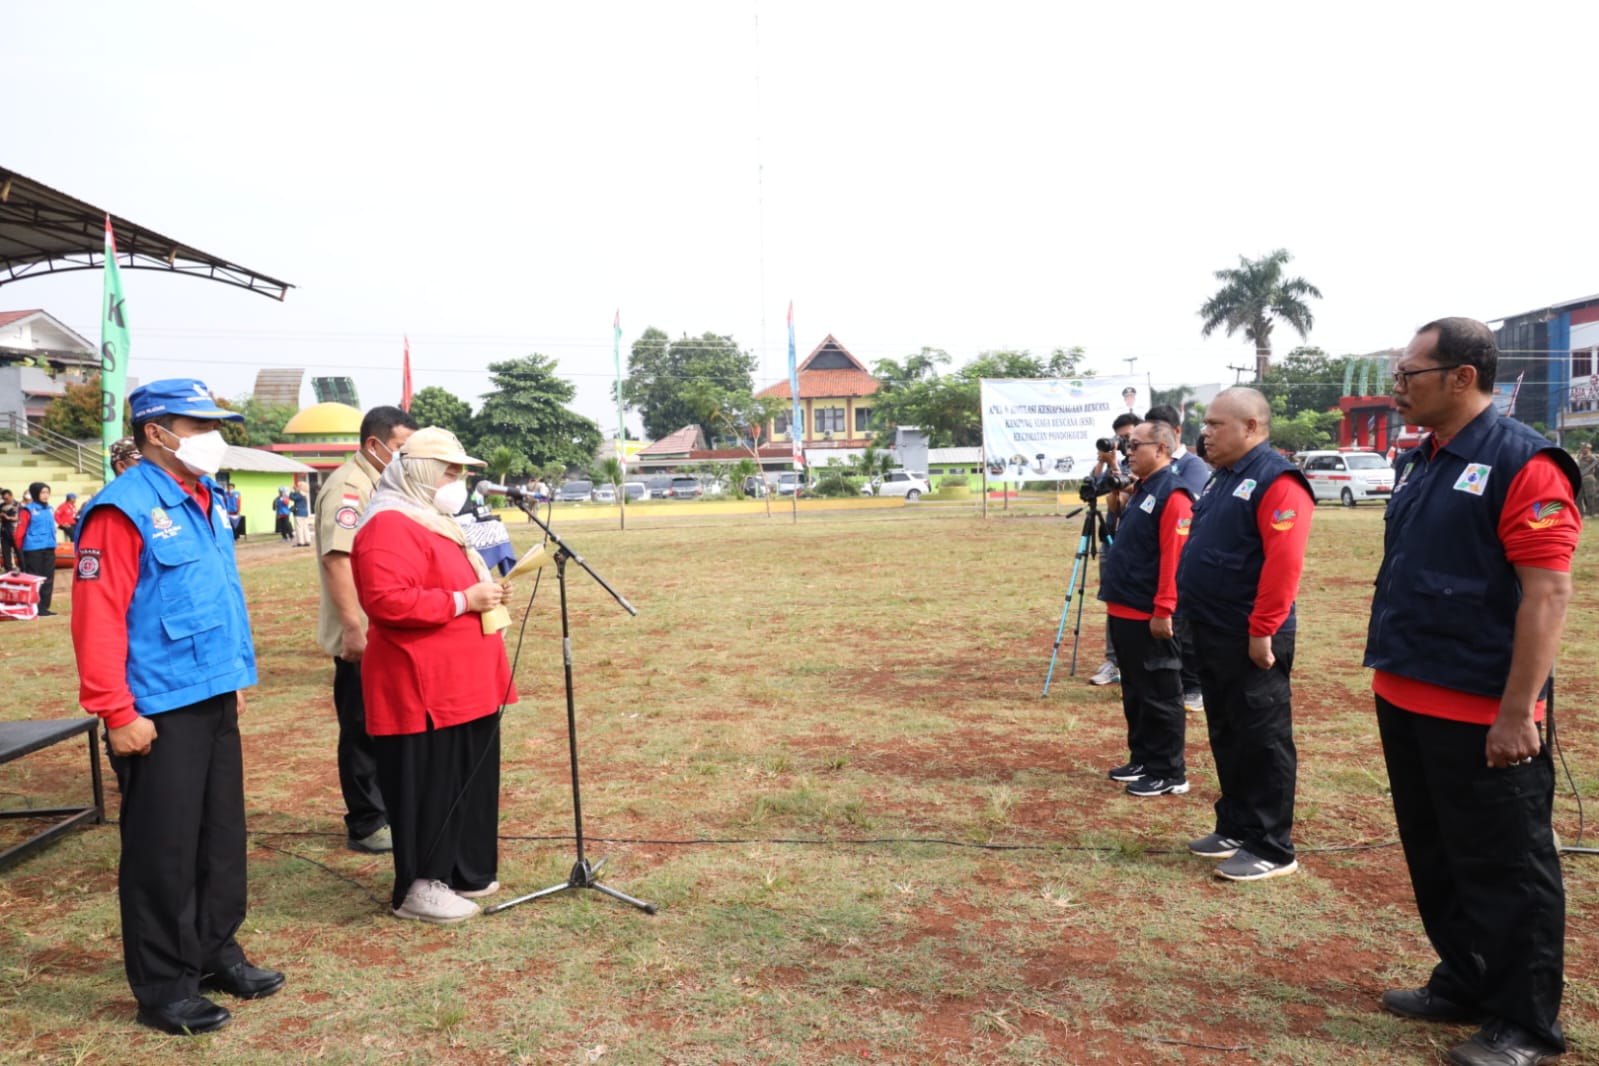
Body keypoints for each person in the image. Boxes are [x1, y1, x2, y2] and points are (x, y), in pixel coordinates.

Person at [1366, 318, 1577, 1066]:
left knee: (1506, 866)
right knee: (1437, 852)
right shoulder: (1424, 459)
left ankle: (1524, 1024)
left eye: (1410, 373)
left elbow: (1546, 596)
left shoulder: (1525, 464)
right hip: (1407, 690)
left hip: (1482, 707)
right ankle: (1464, 978)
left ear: (1462, 377)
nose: (1398, 386)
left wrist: (1517, 710)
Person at [70, 377, 283, 1036]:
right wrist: (116, 711)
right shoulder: (122, 509)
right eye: (199, 425)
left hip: (211, 691)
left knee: (219, 839)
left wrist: (232, 680)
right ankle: (164, 985)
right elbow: (97, 618)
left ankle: (215, 950)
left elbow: (216, 597)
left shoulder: (204, 497)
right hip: (155, 707)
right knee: (162, 850)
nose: (212, 437)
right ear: (157, 432)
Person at [351, 427, 516, 924]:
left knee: (469, 774)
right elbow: (385, 600)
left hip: (466, 677)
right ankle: (422, 885)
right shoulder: (388, 524)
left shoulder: (436, 518)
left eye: (461, 471)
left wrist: (485, 590)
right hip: (422, 681)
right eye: (449, 470)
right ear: (421, 470)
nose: (458, 480)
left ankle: (464, 868)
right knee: (431, 780)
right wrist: (465, 600)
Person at [1174, 387, 1314, 881]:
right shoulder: (1222, 478)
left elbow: (1284, 563)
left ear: (1251, 427)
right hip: (1212, 626)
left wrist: (1264, 630)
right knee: (1227, 730)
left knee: (1263, 738)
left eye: (1216, 425)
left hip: (1250, 632)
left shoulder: (1278, 480)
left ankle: (1273, 846)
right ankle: (1235, 824)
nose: (1205, 433)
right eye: (1207, 424)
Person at [315, 405, 417, 855]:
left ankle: (386, 808)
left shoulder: (379, 480)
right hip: (362, 632)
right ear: (375, 445)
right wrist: (353, 629)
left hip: (385, 625)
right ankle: (366, 821)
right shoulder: (350, 488)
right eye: (400, 449)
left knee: (383, 722)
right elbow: (337, 559)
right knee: (360, 726)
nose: (405, 458)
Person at [1098, 421, 1194, 797]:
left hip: (1150, 612)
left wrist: (1164, 609)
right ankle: (1143, 756)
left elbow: (1175, 558)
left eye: (1136, 445)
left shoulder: (1174, 493)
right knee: (1136, 691)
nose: (1128, 451)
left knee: (1160, 692)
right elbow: (1115, 512)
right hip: (1125, 608)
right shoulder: (1143, 488)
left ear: (1162, 449)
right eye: (1127, 445)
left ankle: (1169, 770)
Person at [1146, 403, 1211, 712]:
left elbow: (1187, 507)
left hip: (1184, 555)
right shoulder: (1152, 470)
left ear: (1174, 433)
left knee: (1183, 625)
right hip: (1155, 556)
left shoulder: (1192, 466)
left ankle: (1194, 686)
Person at [1087, 413, 1138, 687]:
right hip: (1110, 537)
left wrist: (1116, 464)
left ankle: (1131, 659)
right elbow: (1092, 490)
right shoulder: (1111, 462)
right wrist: (1102, 461)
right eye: (1120, 437)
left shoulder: (1143, 461)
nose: (1124, 442)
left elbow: (1130, 489)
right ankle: (1113, 660)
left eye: (1128, 437)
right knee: (1113, 599)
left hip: (1134, 541)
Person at [15, 482, 58, 616]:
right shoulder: (27, 510)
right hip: (33, 549)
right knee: (35, 578)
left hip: (49, 547)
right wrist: (20, 551)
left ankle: (44, 607)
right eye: (42, 493)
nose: (45, 495)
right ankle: (34, 607)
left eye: (47, 492)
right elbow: (20, 531)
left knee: (48, 578)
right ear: (35, 494)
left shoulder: (50, 509)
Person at [1576, 442, 1597, 517]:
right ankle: (1580, 513)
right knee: (1578, 497)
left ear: (1589, 449)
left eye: (1586, 448)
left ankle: (1590, 512)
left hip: (1589, 478)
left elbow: (1597, 469)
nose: (1584, 449)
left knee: (1590, 496)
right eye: (1582, 448)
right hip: (1579, 478)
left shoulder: (1592, 458)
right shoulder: (1579, 457)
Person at [0, 488, 18, 572]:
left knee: (19, 552)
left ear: (11, 496)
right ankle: (9, 570)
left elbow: (19, 517)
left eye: (7, 498)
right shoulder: (1, 506)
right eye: (3, 498)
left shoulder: (17, 505)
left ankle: (24, 570)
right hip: (4, 532)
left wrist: (8, 517)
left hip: (15, 531)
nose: (5, 500)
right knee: (6, 553)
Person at [289, 481, 312, 546]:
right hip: (305, 513)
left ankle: (300, 542)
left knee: (299, 527)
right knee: (305, 527)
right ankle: (307, 540)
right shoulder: (304, 494)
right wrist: (296, 490)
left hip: (299, 513)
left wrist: (291, 491)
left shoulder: (299, 494)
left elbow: (292, 497)